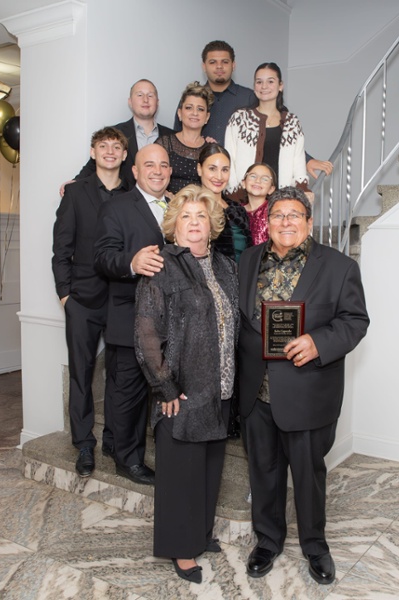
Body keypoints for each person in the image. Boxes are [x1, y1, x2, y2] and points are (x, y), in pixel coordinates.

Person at [238, 187, 369, 584]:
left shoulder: (339, 267)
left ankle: (315, 546)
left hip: (307, 392)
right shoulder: (248, 260)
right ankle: (267, 541)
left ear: (309, 222)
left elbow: (355, 321)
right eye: (278, 215)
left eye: (295, 215)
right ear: (268, 222)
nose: (286, 222)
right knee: (263, 471)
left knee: (309, 476)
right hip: (256, 391)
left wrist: (318, 342)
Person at [135, 184, 239, 585]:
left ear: (211, 225)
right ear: (173, 225)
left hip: (221, 386)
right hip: (182, 390)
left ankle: (200, 533)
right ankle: (181, 547)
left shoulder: (225, 267)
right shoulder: (161, 266)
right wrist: (165, 386)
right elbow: (146, 333)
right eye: (186, 216)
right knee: (181, 473)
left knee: (209, 468)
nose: (194, 223)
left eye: (201, 216)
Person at [93, 144, 172, 485]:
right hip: (130, 316)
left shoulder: (177, 205)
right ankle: (128, 461)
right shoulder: (117, 207)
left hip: (168, 320)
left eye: (164, 165)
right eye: (149, 165)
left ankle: (116, 443)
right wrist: (132, 262)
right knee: (129, 393)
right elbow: (102, 257)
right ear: (135, 171)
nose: (157, 170)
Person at [52, 126, 129, 477]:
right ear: (93, 152)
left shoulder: (133, 193)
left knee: (119, 374)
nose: (110, 151)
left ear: (124, 155)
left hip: (122, 298)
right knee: (81, 373)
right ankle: (84, 443)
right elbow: (61, 249)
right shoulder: (75, 192)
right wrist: (65, 295)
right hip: (82, 300)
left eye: (116, 146)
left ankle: (113, 438)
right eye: (103, 146)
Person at [174, 41, 332, 179]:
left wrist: (307, 160)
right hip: (201, 175)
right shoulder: (192, 101)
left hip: (243, 180)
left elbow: (280, 132)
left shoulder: (251, 97)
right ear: (204, 66)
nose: (219, 66)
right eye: (213, 62)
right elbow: (178, 139)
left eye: (225, 62)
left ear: (233, 65)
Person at [60, 79, 173, 194]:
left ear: (157, 102)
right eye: (140, 95)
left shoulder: (172, 136)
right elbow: (95, 163)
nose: (145, 100)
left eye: (150, 95)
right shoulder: (115, 134)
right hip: (123, 198)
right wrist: (76, 181)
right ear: (130, 102)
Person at [226, 62, 312, 198]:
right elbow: (230, 158)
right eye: (259, 82)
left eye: (270, 81)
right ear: (254, 86)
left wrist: (302, 189)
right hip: (246, 200)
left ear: (280, 85)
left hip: (281, 200)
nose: (264, 86)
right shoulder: (239, 119)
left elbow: (298, 162)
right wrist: (236, 195)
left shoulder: (292, 122)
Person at [197, 143, 252, 264]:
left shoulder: (238, 209)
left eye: (225, 170)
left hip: (243, 274)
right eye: (212, 169)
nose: (219, 176)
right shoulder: (193, 208)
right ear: (199, 169)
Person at [156, 81, 213, 196]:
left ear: (207, 117)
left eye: (200, 109)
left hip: (201, 205)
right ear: (180, 113)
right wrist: (165, 195)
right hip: (167, 204)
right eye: (189, 108)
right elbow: (151, 176)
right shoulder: (165, 143)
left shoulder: (211, 150)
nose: (194, 113)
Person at [241, 162, 277, 245]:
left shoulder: (274, 212)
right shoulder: (236, 211)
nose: (257, 181)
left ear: (271, 189)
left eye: (265, 179)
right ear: (243, 183)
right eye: (253, 176)